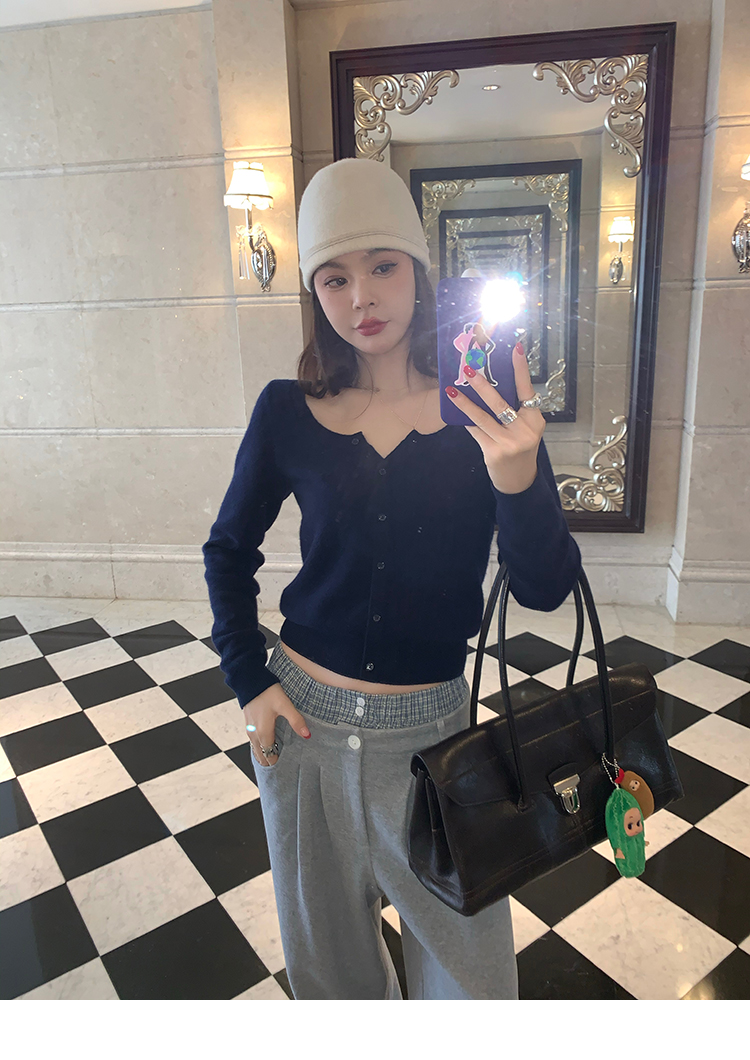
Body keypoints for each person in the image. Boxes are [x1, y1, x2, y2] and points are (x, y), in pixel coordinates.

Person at [202, 158, 581, 1000]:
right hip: (300, 729)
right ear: (315, 291)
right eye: (335, 278)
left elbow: (544, 589)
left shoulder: (481, 410)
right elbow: (228, 550)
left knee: (472, 987)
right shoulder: (285, 411)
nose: (361, 298)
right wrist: (248, 680)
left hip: (433, 738)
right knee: (332, 982)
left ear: (418, 271)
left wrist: (518, 478)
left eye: (382, 267)